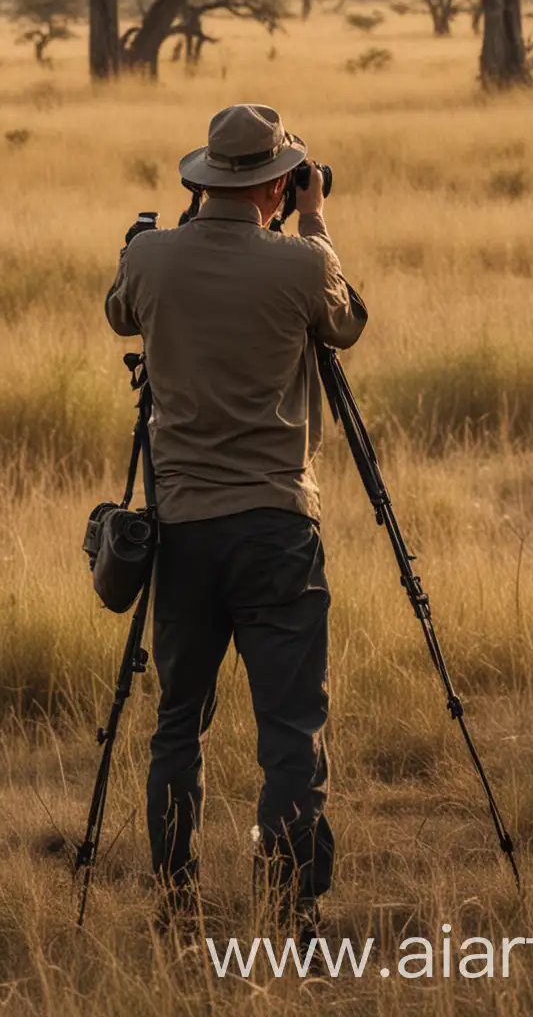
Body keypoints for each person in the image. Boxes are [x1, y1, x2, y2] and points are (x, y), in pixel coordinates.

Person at [104, 102, 367, 938]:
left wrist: (159, 244)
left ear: (205, 179)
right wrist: (317, 216)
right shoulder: (297, 264)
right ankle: (293, 911)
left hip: (180, 531)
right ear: (279, 185)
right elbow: (348, 321)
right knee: (290, 729)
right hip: (277, 527)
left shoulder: (150, 260)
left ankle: (175, 903)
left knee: (178, 722)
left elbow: (120, 310)